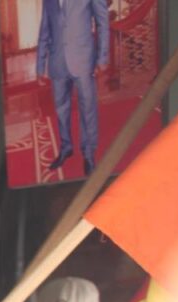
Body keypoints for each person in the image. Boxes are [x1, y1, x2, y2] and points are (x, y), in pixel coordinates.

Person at [36, 0, 110, 175]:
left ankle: (89, 154)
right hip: (57, 61)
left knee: (88, 108)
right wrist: (40, 65)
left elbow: (102, 22)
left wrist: (102, 57)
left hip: (83, 59)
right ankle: (66, 147)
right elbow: (44, 29)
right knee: (61, 109)